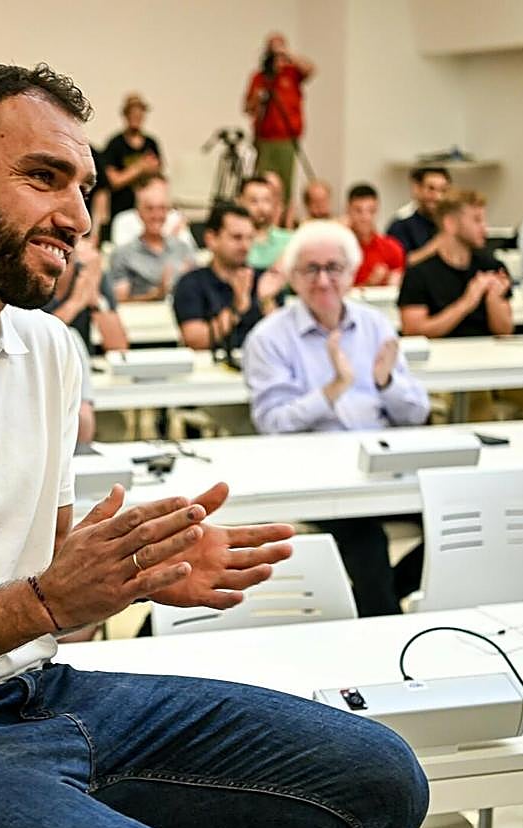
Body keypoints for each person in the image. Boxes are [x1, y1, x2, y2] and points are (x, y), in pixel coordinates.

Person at [0, 61, 427, 828]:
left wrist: (135, 575)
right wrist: (47, 601)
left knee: (383, 779)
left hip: (44, 692)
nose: (77, 218)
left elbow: (52, 589)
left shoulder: (47, 348)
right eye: (44, 177)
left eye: (83, 188)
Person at [244, 221, 430, 616]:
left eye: (334, 267)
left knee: (455, 519)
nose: (323, 280)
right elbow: (271, 422)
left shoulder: (374, 325)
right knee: (367, 543)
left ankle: (383, 604)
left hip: (381, 463)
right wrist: (334, 389)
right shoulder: (268, 337)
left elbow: (417, 412)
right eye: (310, 269)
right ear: (293, 277)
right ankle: (385, 632)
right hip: (315, 473)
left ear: (351, 273)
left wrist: (386, 382)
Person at [399, 188, 512, 338]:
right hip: (439, 358)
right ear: (450, 223)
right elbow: (413, 331)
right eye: (476, 220)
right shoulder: (419, 274)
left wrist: (494, 299)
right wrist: (467, 302)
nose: (484, 227)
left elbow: (505, 331)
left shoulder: (492, 267)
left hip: (486, 356)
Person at [172, 203, 284, 350]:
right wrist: (236, 309)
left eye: (250, 238)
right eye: (236, 238)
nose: (245, 246)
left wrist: (266, 301)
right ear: (211, 239)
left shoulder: (265, 281)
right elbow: (195, 341)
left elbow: (285, 340)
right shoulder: (191, 283)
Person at [243, 32, 314, 204]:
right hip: (265, 138)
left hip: (287, 138)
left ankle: (284, 221)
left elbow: (310, 69)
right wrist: (258, 99)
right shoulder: (259, 78)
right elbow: (247, 108)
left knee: (285, 186)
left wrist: (286, 53)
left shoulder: (291, 74)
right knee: (263, 183)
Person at [108, 175, 195, 302]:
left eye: (162, 208)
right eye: (150, 209)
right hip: (142, 318)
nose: (156, 215)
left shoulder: (183, 248)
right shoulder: (123, 254)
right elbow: (119, 300)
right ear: (138, 213)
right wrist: (155, 295)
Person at [101, 92, 161, 243]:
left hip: (147, 213)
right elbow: (112, 181)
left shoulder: (151, 143)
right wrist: (139, 168)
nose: (136, 118)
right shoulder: (115, 144)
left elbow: (158, 175)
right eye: (132, 114)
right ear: (125, 115)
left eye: (140, 114)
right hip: (121, 212)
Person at [387, 166, 451, 267]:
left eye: (443, 190)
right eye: (431, 189)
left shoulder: (454, 225)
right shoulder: (400, 227)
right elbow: (400, 264)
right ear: (417, 189)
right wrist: (436, 245)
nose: (438, 197)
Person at [347, 183, 405, 287]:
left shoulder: (392, 247)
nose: (365, 217)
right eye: (358, 211)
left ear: (377, 211)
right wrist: (369, 284)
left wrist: (394, 284)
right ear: (348, 210)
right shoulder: (340, 248)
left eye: (371, 211)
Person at [240, 175, 292, 271]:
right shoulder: (235, 242)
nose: (261, 207)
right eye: (254, 201)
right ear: (240, 202)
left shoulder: (290, 241)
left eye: (266, 200)